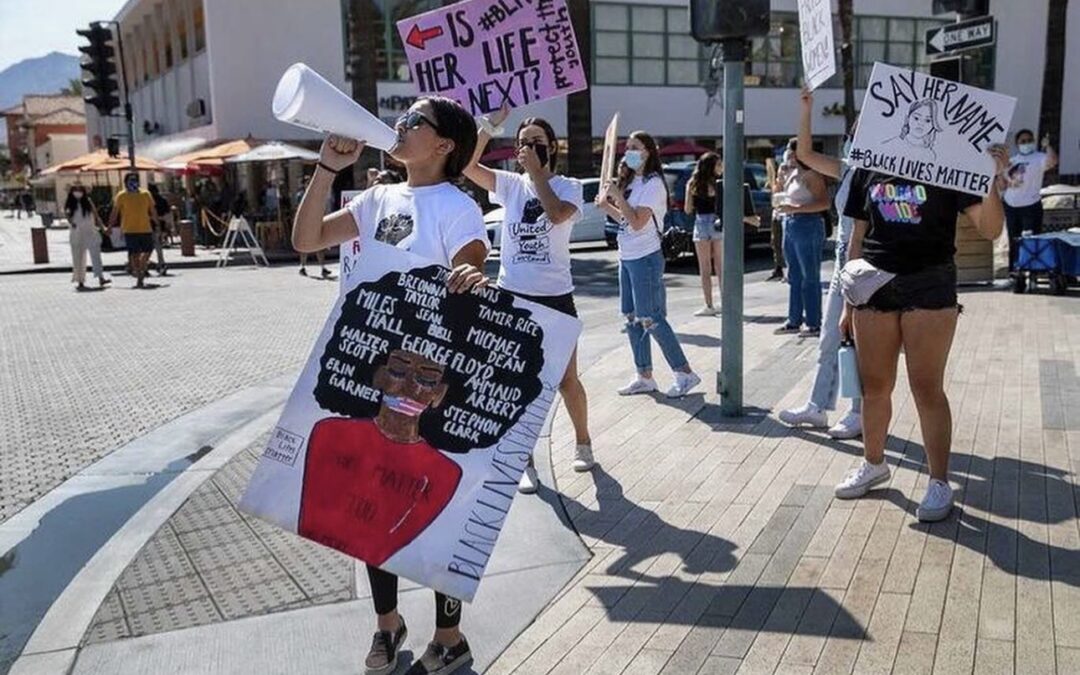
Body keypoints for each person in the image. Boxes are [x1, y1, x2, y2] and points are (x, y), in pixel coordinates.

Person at [292, 96, 488, 675]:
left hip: (422, 375)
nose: (399, 126)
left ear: (444, 144)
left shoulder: (458, 206)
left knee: (424, 501)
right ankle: (388, 624)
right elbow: (307, 240)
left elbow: (473, 264)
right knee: (372, 503)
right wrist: (327, 168)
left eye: (413, 122)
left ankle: (449, 637)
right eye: (400, 118)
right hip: (373, 368)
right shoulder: (377, 196)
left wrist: (475, 273)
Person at [834, 145, 1009, 522]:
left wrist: (992, 179)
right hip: (873, 283)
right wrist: (848, 303)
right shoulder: (870, 163)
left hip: (930, 281)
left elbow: (991, 229)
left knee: (926, 387)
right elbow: (857, 239)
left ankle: (939, 481)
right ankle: (874, 463)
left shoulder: (950, 163)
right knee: (875, 387)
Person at [464, 106, 596, 493]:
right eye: (522, 143)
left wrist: (538, 174)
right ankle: (524, 461)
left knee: (566, 380)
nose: (529, 149)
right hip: (514, 297)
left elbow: (556, 215)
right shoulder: (508, 184)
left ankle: (584, 442)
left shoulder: (569, 186)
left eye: (537, 143)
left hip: (556, 298)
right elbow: (467, 164)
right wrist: (489, 126)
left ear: (552, 147)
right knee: (516, 384)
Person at [778, 88, 862, 439]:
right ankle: (817, 407)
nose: (851, 139)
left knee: (858, 341)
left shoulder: (882, 174)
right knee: (830, 336)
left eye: (857, 134)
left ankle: (858, 411)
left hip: (868, 267)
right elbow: (806, 153)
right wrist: (806, 110)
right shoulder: (848, 168)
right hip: (845, 263)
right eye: (850, 134)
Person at [596, 132, 701, 399]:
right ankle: (644, 376)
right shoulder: (634, 182)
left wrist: (617, 195)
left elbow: (639, 222)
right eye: (627, 147)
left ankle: (685, 372)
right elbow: (625, 219)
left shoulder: (653, 185)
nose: (628, 152)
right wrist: (607, 205)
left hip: (646, 257)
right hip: (627, 255)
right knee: (631, 318)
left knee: (651, 318)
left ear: (648, 152)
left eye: (635, 147)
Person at [773, 139, 830, 337]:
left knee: (810, 276)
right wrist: (779, 179)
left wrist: (796, 208)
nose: (786, 155)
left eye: (789, 152)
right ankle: (794, 320)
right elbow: (779, 197)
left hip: (808, 224)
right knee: (794, 276)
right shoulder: (791, 174)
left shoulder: (811, 175)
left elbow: (824, 203)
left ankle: (814, 322)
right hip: (789, 223)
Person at [1004, 129, 1058, 275]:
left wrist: (1047, 146)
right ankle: (1014, 270)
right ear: (1017, 143)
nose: (1026, 143)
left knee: (1032, 239)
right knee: (1013, 239)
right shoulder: (1013, 160)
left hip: (1031, 205)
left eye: (1029, 140)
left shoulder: (1039, 157)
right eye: (1023, 141)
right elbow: (1003, 179)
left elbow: (1052, 161)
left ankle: (1033, 270)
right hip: (1011, 205)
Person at [684, 152, 724, 315]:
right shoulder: (719, 183)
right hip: (717, 222)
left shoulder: (693, 183)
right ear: (712, 166)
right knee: (720, 267)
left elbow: (687, 209)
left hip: (700, 223)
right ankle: (725, 302)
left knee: (704, 268)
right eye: (719, 164)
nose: (721, 167)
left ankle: (709, 305)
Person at [108, 173, 158, 288]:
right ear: (125, 183)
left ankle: (142, 265)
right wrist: (110, 226)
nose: (133, 182)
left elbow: (152, 210)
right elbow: (115, 212)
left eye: (135, 180)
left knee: (148, 250)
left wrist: (157, 223)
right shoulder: (121, 196)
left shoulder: (145, 194)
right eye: (130, 180)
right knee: (134, 254)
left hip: (145, 228)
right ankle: (140, 277)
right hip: (129, 229)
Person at [64, 184, 110, 290]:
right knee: (78, 257)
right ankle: (80, 280)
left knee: (96, 255)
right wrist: (71, 223)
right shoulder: (70, 203)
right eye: (75, 190)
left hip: (90, 231)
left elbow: (96, 215)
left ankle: (100, 277)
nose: (78, 192)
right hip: (77, 233)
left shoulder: (88, 201)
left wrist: (103, 228)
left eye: (80, 190)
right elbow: (67, 216)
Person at [295, 175, 330, 278]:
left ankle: (323, 267)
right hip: (305, 222)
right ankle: (302, 266)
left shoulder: (316, 194)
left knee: (320, 244)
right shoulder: (300, 195)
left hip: (317, 220)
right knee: (304, 245)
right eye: (307, 182)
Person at [765, 157, 787, 281]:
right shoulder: (775, 183)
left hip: (785, 216)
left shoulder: (788, 183)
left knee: (784, 244)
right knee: (775, 243)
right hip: (776, 216)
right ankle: (778, 268)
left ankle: (785, 269)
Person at [147, 183, 171, 276]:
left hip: (149, 225)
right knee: (158, 247)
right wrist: (168, 226)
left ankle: (146, 265)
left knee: (148, 247)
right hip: (161, 226)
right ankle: (161, 263)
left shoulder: (148, 200)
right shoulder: (163, 200)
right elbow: (168, 214)